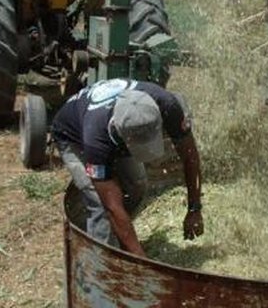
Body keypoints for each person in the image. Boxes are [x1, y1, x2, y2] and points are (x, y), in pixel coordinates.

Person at [50, 78, 204, 257]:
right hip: (72, 137)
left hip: (109, 125)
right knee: (100, 206)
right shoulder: (96, 140)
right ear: (124, 137)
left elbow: (190, 157)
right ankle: (103, 265)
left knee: (137, 185)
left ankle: (121, 239)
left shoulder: (168, 105)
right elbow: (111, 206)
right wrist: (144, 265)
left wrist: (194, 209)